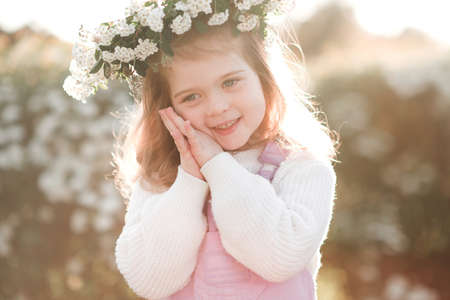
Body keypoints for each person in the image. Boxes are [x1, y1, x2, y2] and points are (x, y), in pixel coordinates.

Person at [64, 1, 340, 299]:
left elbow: (279, 258)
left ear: (264, 78)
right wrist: (190, 180)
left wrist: (217, 165)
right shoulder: (162, 178)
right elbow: (151, 281)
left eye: (230, 82)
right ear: (167, 109)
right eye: (192, 97)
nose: (218, 107)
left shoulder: (301, 166)